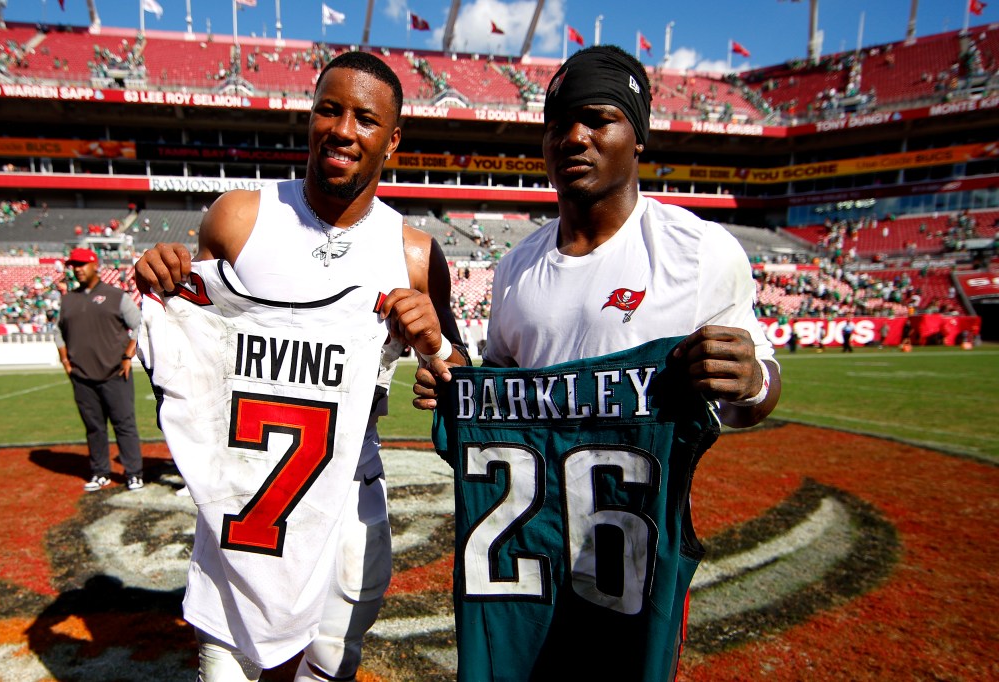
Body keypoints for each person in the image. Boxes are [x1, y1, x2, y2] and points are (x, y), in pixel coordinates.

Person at [416, 46, 780, 681]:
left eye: (597, 119)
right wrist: (453, 380)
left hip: (626, 573)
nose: (573, 138)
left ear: (636, 135)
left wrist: (752, 380)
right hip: (522, 571)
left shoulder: (698, 253)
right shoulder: (516, 268)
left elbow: (758, 388)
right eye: (558, 124)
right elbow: (500, 397)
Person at [134, 51, 466, 682]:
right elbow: (194, 352)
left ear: (392, 140)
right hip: (244, 503)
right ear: (310, 117)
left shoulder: (415, 255)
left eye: (365, 119)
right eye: (329, 109)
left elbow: (457, 382)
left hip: (347, 504)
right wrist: (165, 278)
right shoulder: (238, 218)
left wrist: (439, 349)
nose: (342, 129)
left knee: (325, 672)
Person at [56, 247, 145, 493]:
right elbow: (58, 332)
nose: (77, 269)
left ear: (95, 265)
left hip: (115, 373)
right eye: (74, 265)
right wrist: (65, 360)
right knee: (94, 427)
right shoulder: (68, 300)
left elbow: (139, 325)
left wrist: (128, 356)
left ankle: (134, 473)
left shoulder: (116, 296)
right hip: (82, 377)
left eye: (82, 264)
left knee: (124, 425)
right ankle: (100, 472)